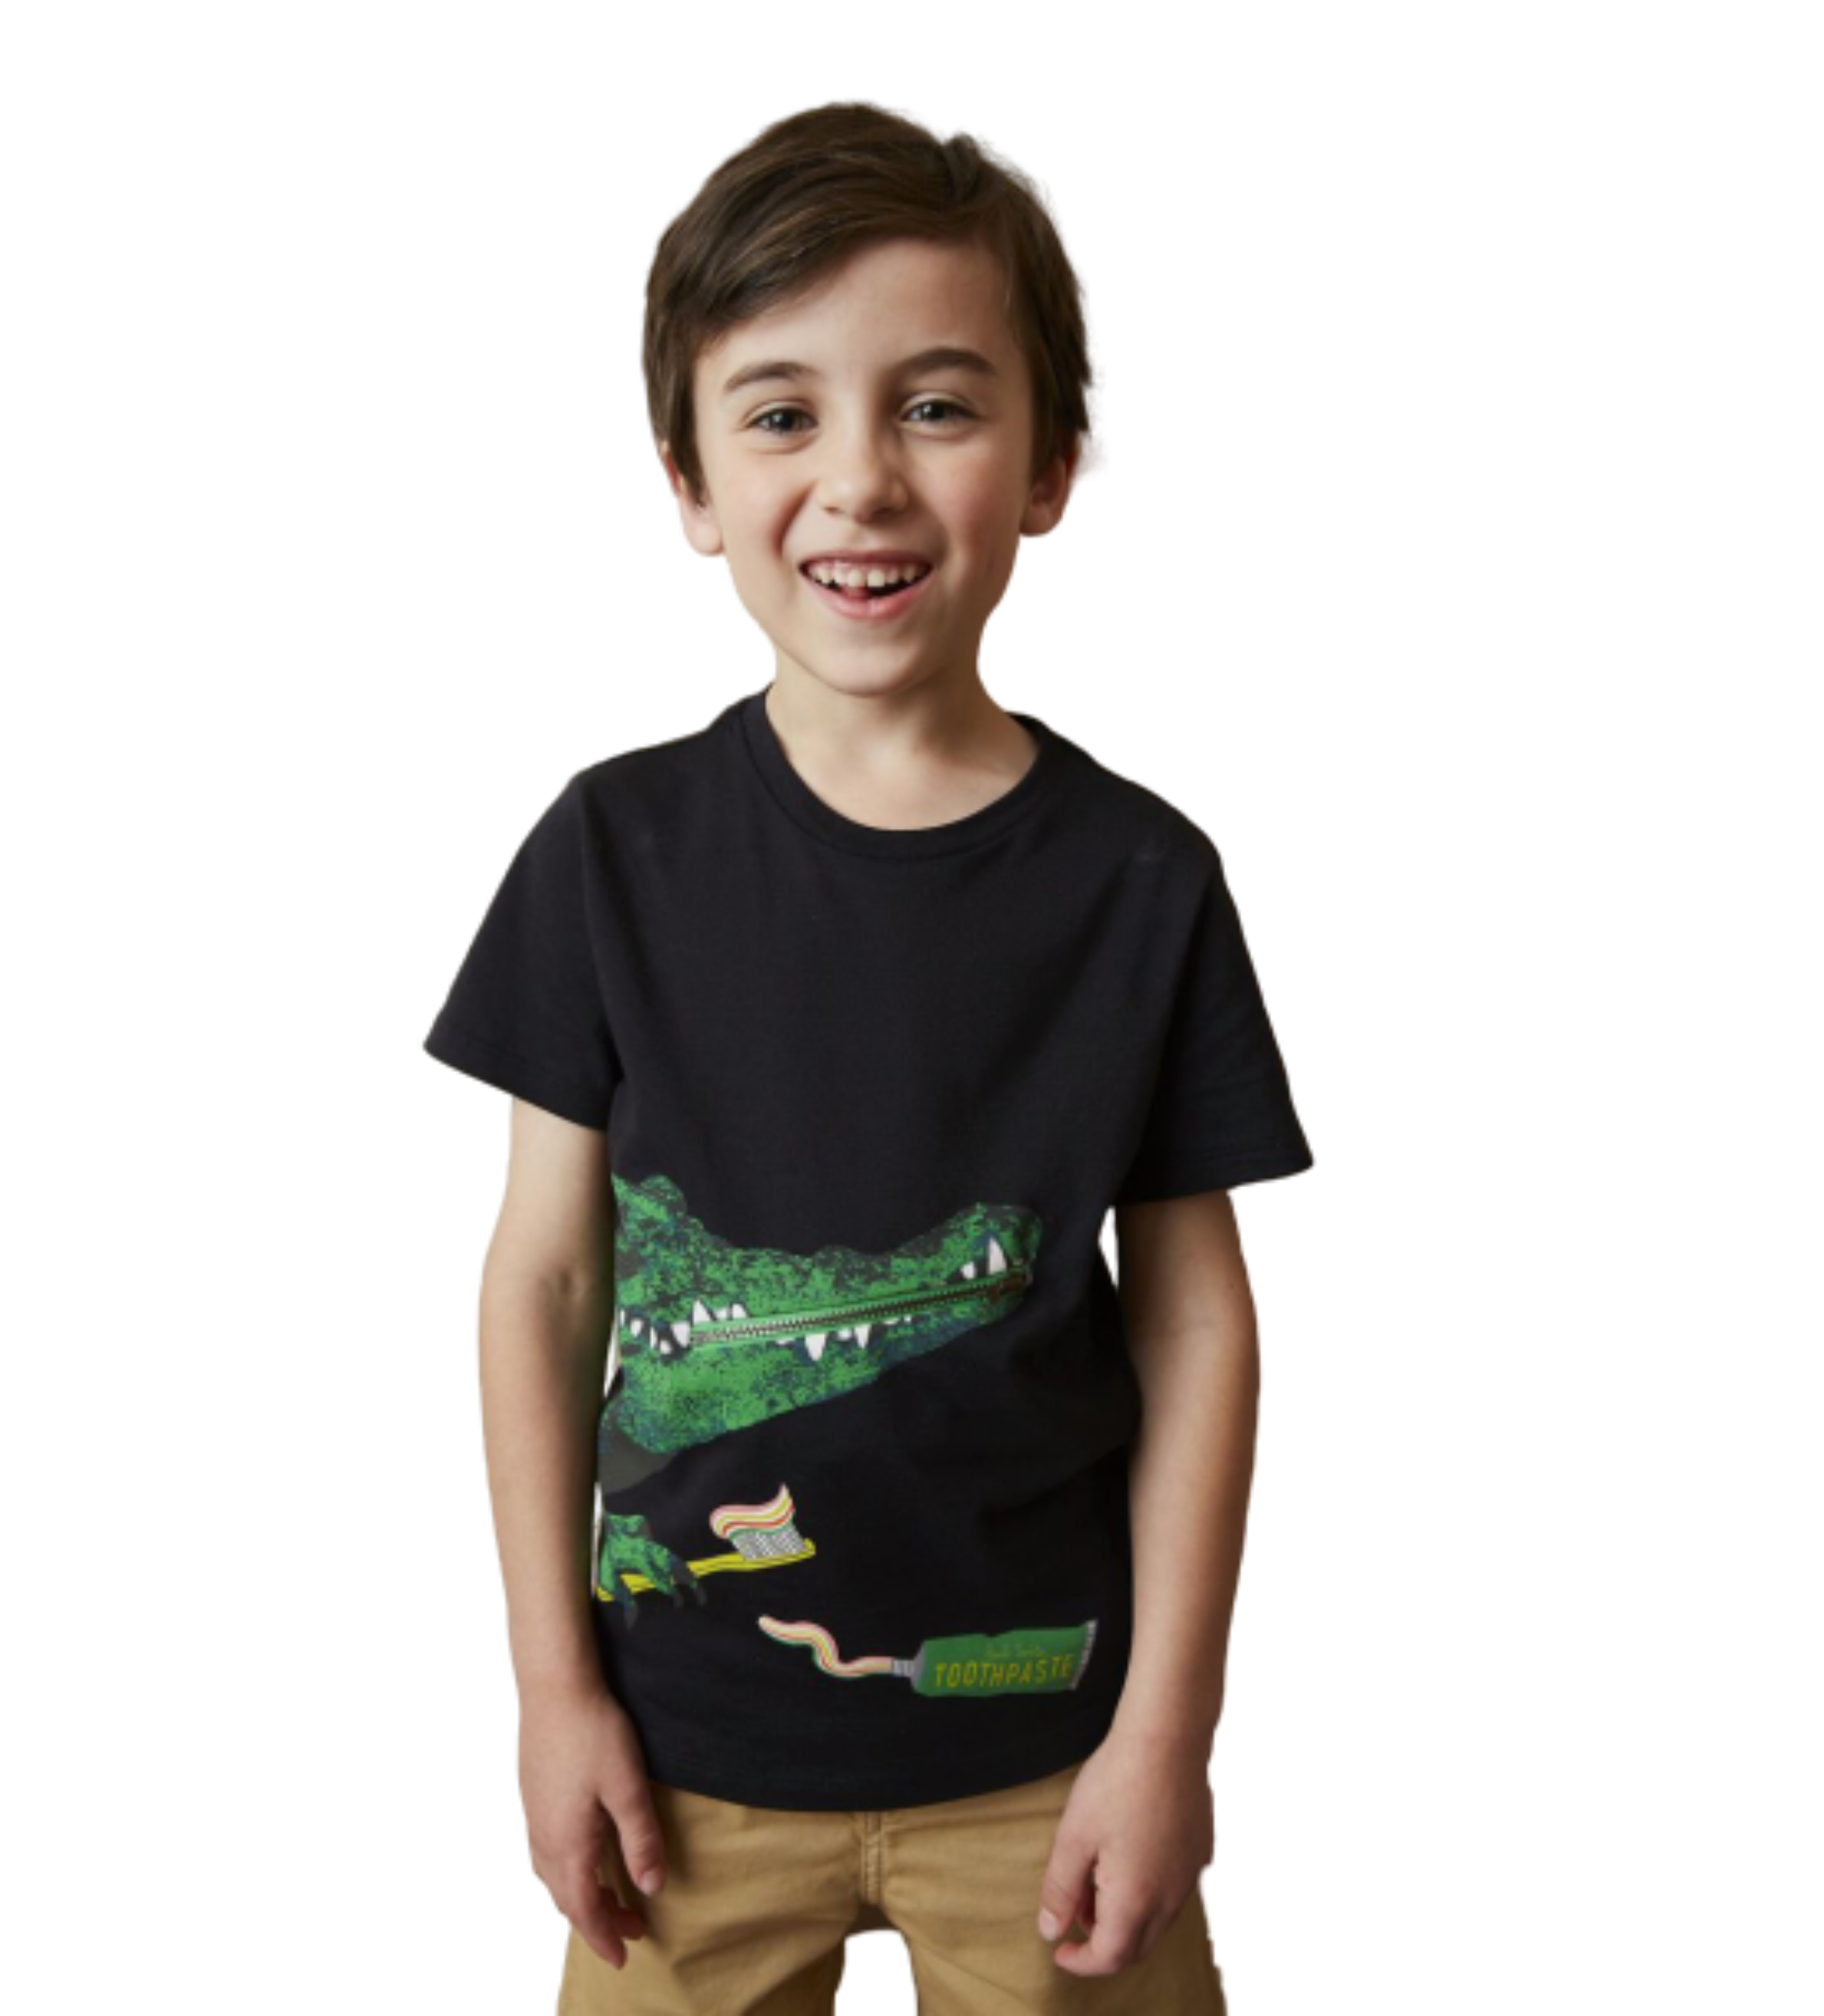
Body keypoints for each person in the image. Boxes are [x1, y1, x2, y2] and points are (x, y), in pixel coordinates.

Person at [420, 98, 1312, 2012]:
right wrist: (549, 1690)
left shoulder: (1148, 877)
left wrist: (1170, 1732)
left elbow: (1199, 1317)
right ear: (686, 485)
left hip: (1055, 1753)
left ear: (1059, 460)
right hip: (675, 1755)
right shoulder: (602, 847)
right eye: (780, 414)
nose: (860, 482)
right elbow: (545, 1277)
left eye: (936, 404)